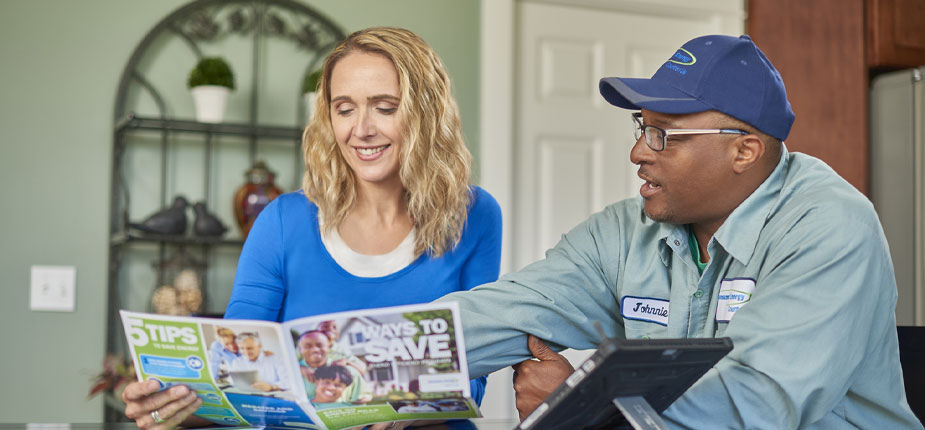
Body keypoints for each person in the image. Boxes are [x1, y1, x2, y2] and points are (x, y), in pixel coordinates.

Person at [438, 34, 923, 429]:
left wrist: (583, 412)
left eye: (664, 135)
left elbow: (754, 405)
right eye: (641, 127)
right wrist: (372, 374)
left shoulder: (828, 225)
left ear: (744, 151)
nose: (638, 153)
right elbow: (505, 314)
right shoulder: (628, 231)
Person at [121, 26, 501, 430]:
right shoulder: (283, 222)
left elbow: (472, 379)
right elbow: (235, 384)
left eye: (385, 107)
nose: (362, 129)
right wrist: (169, 408)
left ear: (426, 112)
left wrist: (397, 413)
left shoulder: (475, 215)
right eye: (344, 108)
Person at [297, 329, 367, 403]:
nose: (315, 349)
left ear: (328, 347)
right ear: (300, 349)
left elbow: (361, 400)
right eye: (308, 346)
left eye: (319, 345)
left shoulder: (348, 371)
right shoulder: (291, 371)